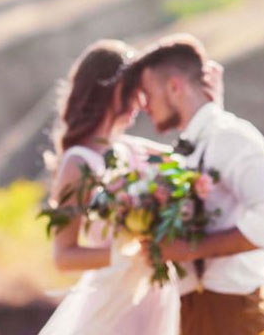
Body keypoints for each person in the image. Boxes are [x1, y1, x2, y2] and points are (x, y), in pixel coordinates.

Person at [38, 39, 222, 335]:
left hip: (154, 297)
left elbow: (193, 158)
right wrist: (129, 253)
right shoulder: (78, 162)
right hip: (111, 305)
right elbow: (63, 256)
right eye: (134, 90)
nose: (141, 102)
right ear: (110, 88)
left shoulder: (131, 149)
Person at [130, 33, 264, 335]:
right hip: (193, 315)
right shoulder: (187, 150)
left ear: (174, 87)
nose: (144, 105)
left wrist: (189, 249)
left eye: (147, 93)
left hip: (234, 317)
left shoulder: (231, 137)